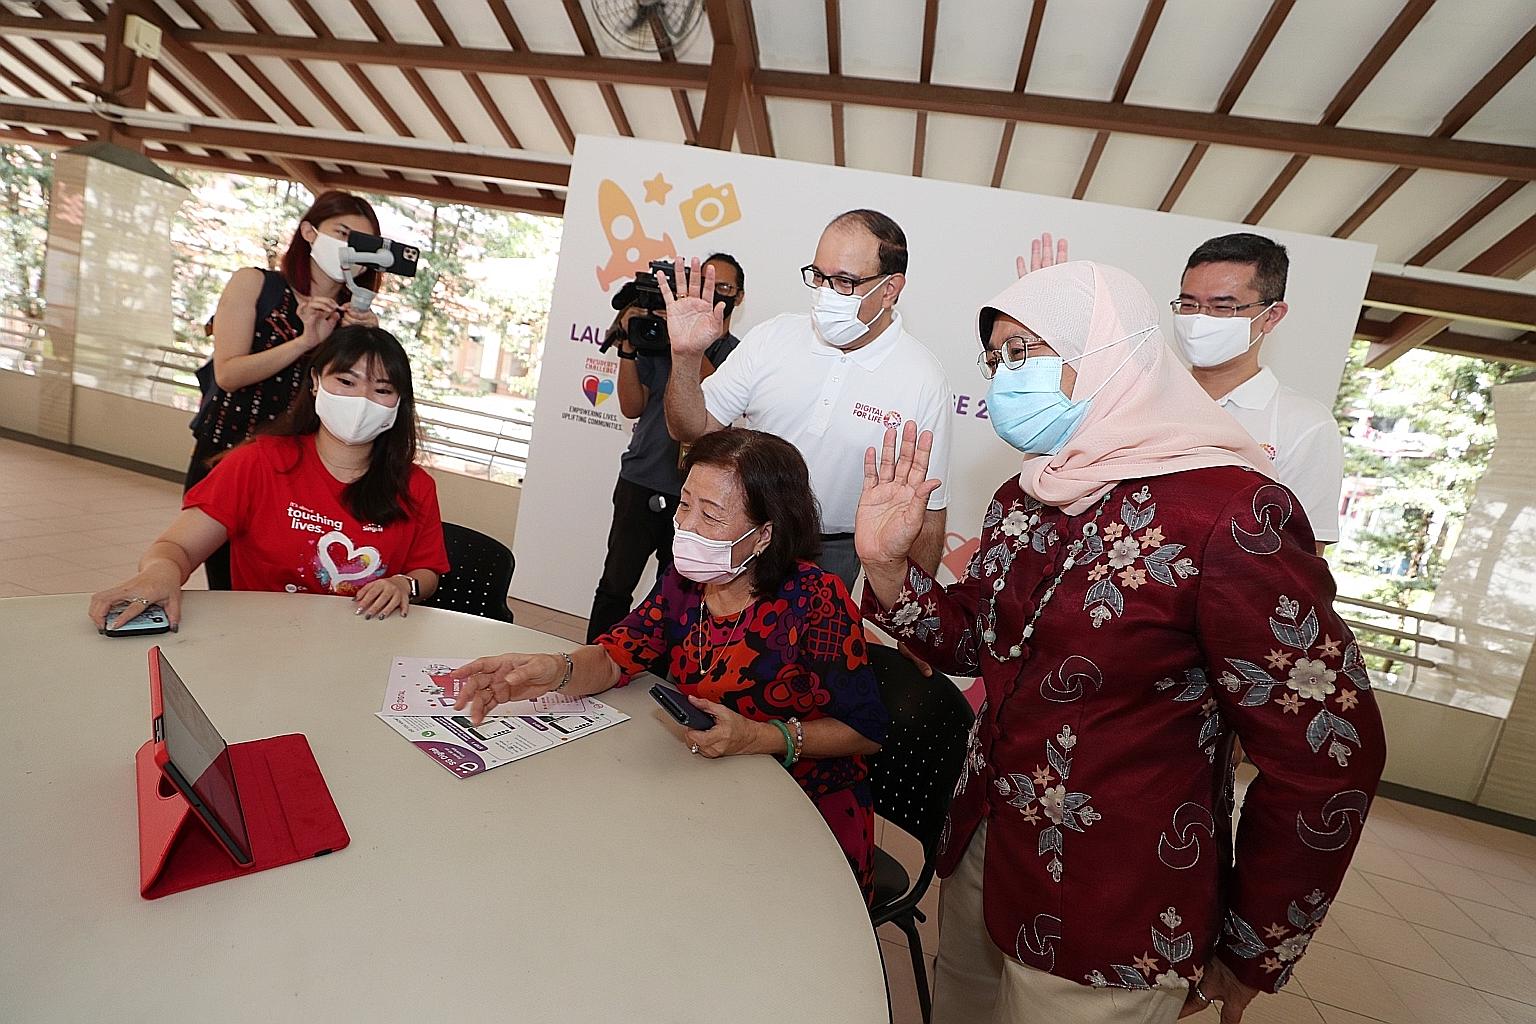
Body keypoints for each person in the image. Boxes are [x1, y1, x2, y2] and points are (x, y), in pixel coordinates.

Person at [856, 262, 1385, 1023]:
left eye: (1026, 353)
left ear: (1112, 352)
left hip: (1115, 903)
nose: (1008, 378)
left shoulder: (1233, 515)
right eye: (998, 358)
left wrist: (1253, 948)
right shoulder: (1030, 492)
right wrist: (883, 565)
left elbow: (1328, 754)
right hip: (984, 850)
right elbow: (974, 643)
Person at [449, 428, 888, 899]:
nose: (688, 526)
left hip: (801, 811)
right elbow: (619, 656)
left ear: (764, 534)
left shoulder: (815, 598)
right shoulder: (686, 580)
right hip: (702, 791)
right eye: (684, 505)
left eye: (711, 515)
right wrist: (555, 669)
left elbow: (865, 731)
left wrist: (759, 738)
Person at [660, 209, 953, 591]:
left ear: (890, 288)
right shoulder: (772, 338)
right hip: (738, 534)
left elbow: (928, 511)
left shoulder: (923, 379)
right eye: (819, 276)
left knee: (806, 652)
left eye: (845, 281)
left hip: (833, 553)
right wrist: (685, 357)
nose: (827, 293)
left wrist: (915, 621)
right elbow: (690, 428)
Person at [91, 326, 449, 631]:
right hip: (260, 640)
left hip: (363, 643)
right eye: (346, 381)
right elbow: (177, 548)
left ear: (399, 403)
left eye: (382, 390)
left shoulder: (415, 485)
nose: (362, 399)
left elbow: (427, 569)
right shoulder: (258, 462)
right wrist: (161, 574)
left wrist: (405, 584)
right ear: (315, 382)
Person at [1019, 231, 1344, 553]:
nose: (1200, 319)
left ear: (1271, 315)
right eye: (1188, 304)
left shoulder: (1304, 425)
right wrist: (1053, 321)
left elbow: (1303, 554)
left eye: (1222, 307)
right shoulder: (1136, 393)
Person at [187, 190, 384, 589]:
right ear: (309, 232)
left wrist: (367, 339)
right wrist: (304, 342)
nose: (350, 250)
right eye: (342, 233)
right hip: (229, 455)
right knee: (227, 582)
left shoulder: (357, 319)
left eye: (362, 244)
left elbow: (363, 397)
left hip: (298, 469)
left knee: (289, 579)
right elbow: (227, 374)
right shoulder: (255, 285)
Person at [586, 253, 745, 641]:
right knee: (615, 585)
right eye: (710, 284)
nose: (717, 295)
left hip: (695, 495)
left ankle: (658, 677)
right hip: (640, 478)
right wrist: (627, 346)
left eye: (726, 288)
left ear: (739, 297)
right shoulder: (657, 341)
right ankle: (593, 659)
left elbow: (720, 396)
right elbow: (632, 406)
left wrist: (688, 348)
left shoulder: (741, 356)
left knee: (675, 596)